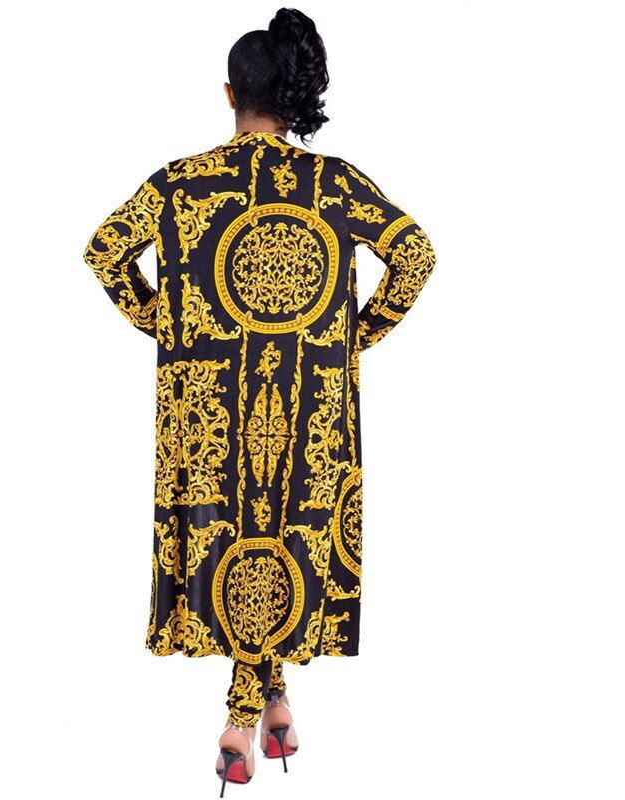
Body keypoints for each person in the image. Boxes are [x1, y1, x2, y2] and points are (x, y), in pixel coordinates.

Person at [82, 8, 436, 796]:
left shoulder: (179, 183)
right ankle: (266, 710)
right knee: (282, 538)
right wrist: (352, 337)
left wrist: (166, 324)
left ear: (229, 94)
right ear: (290, 96)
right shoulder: (335, 182)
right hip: (310, 402)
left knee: (239, 537)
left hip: (207, 402)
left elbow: (104, 250)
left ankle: (244, 722)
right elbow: (414, 253)